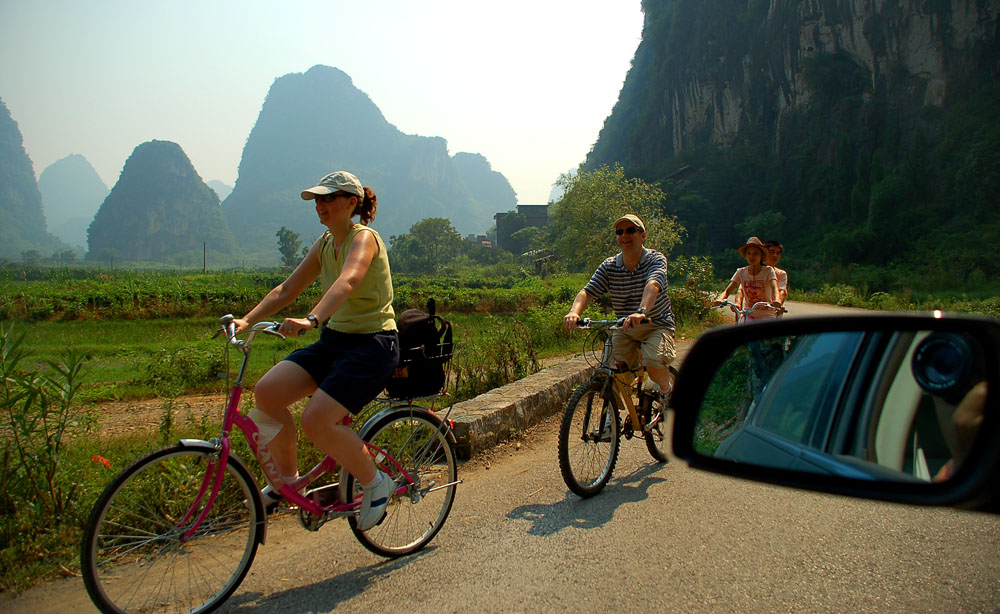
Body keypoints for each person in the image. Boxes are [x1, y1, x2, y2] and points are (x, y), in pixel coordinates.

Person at [233, 170, 399, 530]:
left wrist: (312, 319)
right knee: (267, 393)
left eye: (329, 198)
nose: (321, 205)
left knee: (316, 420)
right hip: (336, 341)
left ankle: (376, 482)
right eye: (318, 200)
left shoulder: (364, 238)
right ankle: (289, 481)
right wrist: (247, 320)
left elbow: (349, 279)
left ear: (352, 203)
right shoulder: (325, 243)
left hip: (373, 344)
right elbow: (286, 288)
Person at [562, 214, 677, 395]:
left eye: (631, 230)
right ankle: (612, 420)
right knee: (613, 370)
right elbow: (588, 291)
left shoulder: (655, 259)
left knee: (653, 364)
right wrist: (574, 312)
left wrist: (642, 311)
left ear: (643, 235)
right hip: (624, 327)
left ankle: (667, 391)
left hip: (656, 324)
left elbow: (653, 285)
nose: (625, 235)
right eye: (620, 232)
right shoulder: (609, 266)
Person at [712, 236, 782, 322]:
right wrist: (719, 299)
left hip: (767, 315)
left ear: (761, 256)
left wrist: (777, 300)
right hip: (748, 314)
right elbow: (727, 291)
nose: (752, 257)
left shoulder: (768, 271)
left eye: (756, 253)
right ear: (745, 255)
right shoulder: (741, 272)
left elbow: (775, 287)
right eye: (749, 253)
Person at [764, 240, 788, 308]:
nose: (775, 255)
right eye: (772, 252)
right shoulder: (754, 270)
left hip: (771, 311)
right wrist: (738, 303)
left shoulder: (781, 274)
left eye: (778, 253)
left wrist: (778, 303)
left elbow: (782, 291)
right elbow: (741, 291)